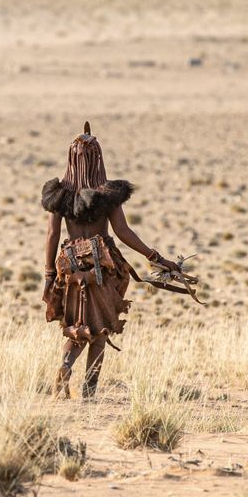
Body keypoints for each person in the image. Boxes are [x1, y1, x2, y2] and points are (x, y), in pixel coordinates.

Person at [41, 122, 182, 399]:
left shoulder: (59, 195)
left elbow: (52, 235)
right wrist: (155, 257)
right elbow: (123, 231)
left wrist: (49, 275)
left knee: (77, 324)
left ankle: (65, 365)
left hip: (70, 265)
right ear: (98, 159)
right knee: (101, 328)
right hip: (101, 264)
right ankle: (89, 390)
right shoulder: (107, 194)